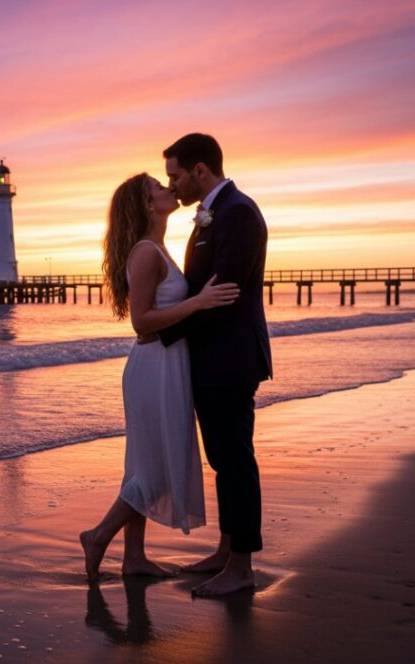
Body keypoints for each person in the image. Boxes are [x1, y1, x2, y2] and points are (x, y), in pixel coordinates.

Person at [79, 173, 240, 584]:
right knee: (155, 471)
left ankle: (134, 557)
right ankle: (98, 536)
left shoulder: (156, 248)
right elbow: (142, 323)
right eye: (158, 187)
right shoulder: (147, 253)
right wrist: (199, 303)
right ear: (148, 206)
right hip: (155, 366)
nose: (170, 188)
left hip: (164, 364)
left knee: (144, 464)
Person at [159, 133, 273, 597]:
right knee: (222, 460)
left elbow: (223, 295)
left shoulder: (238, 214)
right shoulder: (213, 215)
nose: (174, 185)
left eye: (176, 175)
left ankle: (242, 566)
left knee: (235, 461)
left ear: (200, 169)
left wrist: (161, 332)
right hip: (211, 358)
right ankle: (226, 550)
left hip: (230, 358)